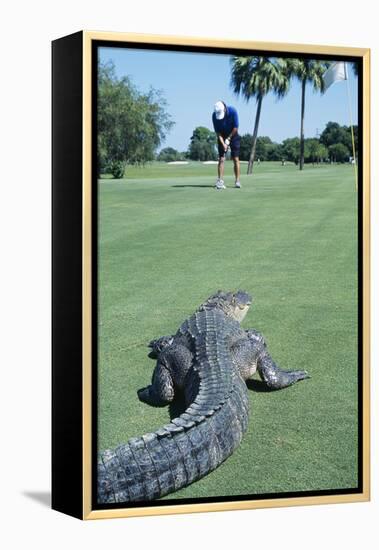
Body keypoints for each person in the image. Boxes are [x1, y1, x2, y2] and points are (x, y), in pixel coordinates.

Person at [212, 100, 241, 190]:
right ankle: (220, 181)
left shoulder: (232, 111)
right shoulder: (214, 116)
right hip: (222, 136)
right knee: (221, 159)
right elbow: (218, 133)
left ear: (224, 108)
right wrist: (223, 143)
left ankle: (237, 181)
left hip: (233, 134)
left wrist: (228, 139)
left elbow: (236, 127)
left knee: (235, 158)